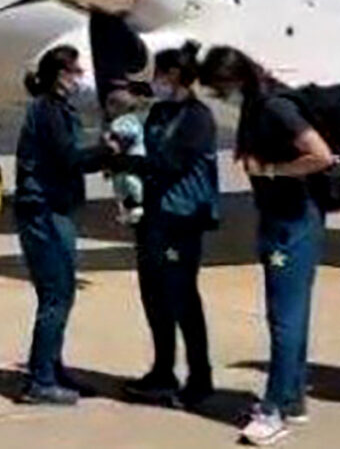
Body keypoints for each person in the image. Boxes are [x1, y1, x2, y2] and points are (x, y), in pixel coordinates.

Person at [200, 46, 336, 446]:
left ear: (234, 79)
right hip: (280, 215)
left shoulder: (276, 107)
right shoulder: (257, 103)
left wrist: (274, 170)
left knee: (284, 316)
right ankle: (292, 397)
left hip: (293, 220)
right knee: (292, 312)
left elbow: (321, 155)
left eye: (220, 88)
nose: (220, 97)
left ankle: (274, 408)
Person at [118, 42, 219, 410]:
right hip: (154, 216)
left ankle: (200, 376)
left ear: (175, 76)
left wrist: (129, 163)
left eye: (159, 74)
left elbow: (172, 162)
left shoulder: (198, 117)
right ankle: (162, 370)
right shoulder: (160, 111)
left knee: (182, 296)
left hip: (182, 218)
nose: (155, 82)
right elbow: (146, 149)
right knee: (154, 295)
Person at [14, 45, 110, 405]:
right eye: (74, 72)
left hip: (55, 207)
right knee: (57, 294)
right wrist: (107, 150)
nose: (79, 79)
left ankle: (51, 366)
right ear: (59, 75)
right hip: (45, 210)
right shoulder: (48, 111)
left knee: (59, 293)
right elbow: (68, 159)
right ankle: (40, 379)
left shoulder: (56, 109)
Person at [105, 88, 147, 226]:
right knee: (125, 183)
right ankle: (129, 209)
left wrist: (111, 141)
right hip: (131, 158)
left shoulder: (122, 122)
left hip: (130, 157)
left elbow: (125, 136)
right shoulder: (133, 120)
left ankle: (135, 207)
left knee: (129, 182)